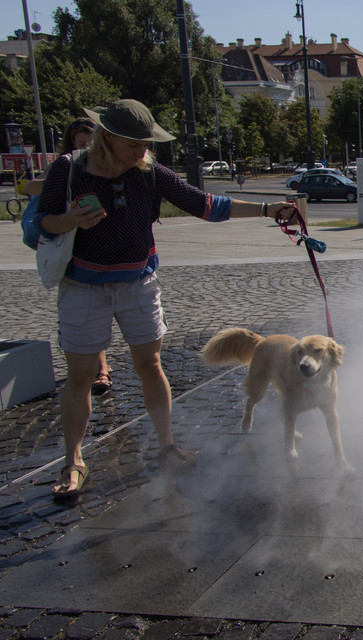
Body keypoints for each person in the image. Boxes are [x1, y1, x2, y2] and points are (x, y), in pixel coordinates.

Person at [36, 99, 296, 499]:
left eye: (146, 144)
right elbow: (44, 222)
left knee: (149, 363)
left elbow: (205, 205)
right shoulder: (69, 169)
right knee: (81, 376)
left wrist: (267, 208)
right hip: (83, 286)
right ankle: (74, 461)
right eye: (134, 145)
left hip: (137, 282)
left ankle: (166, 447)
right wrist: (71, 219)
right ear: (107, 137)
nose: (142, 152)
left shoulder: (148, 172)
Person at [27, 117, 117, 396]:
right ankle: (96, 369)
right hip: (74, 252)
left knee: (100, 315)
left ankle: (100, 366)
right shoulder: (63, 167)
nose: (87, 147)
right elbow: (33, 198)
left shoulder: (111, 165)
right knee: (85, 316)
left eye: (91, 142)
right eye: (81, 143)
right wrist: (69, 214)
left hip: (107, 250)